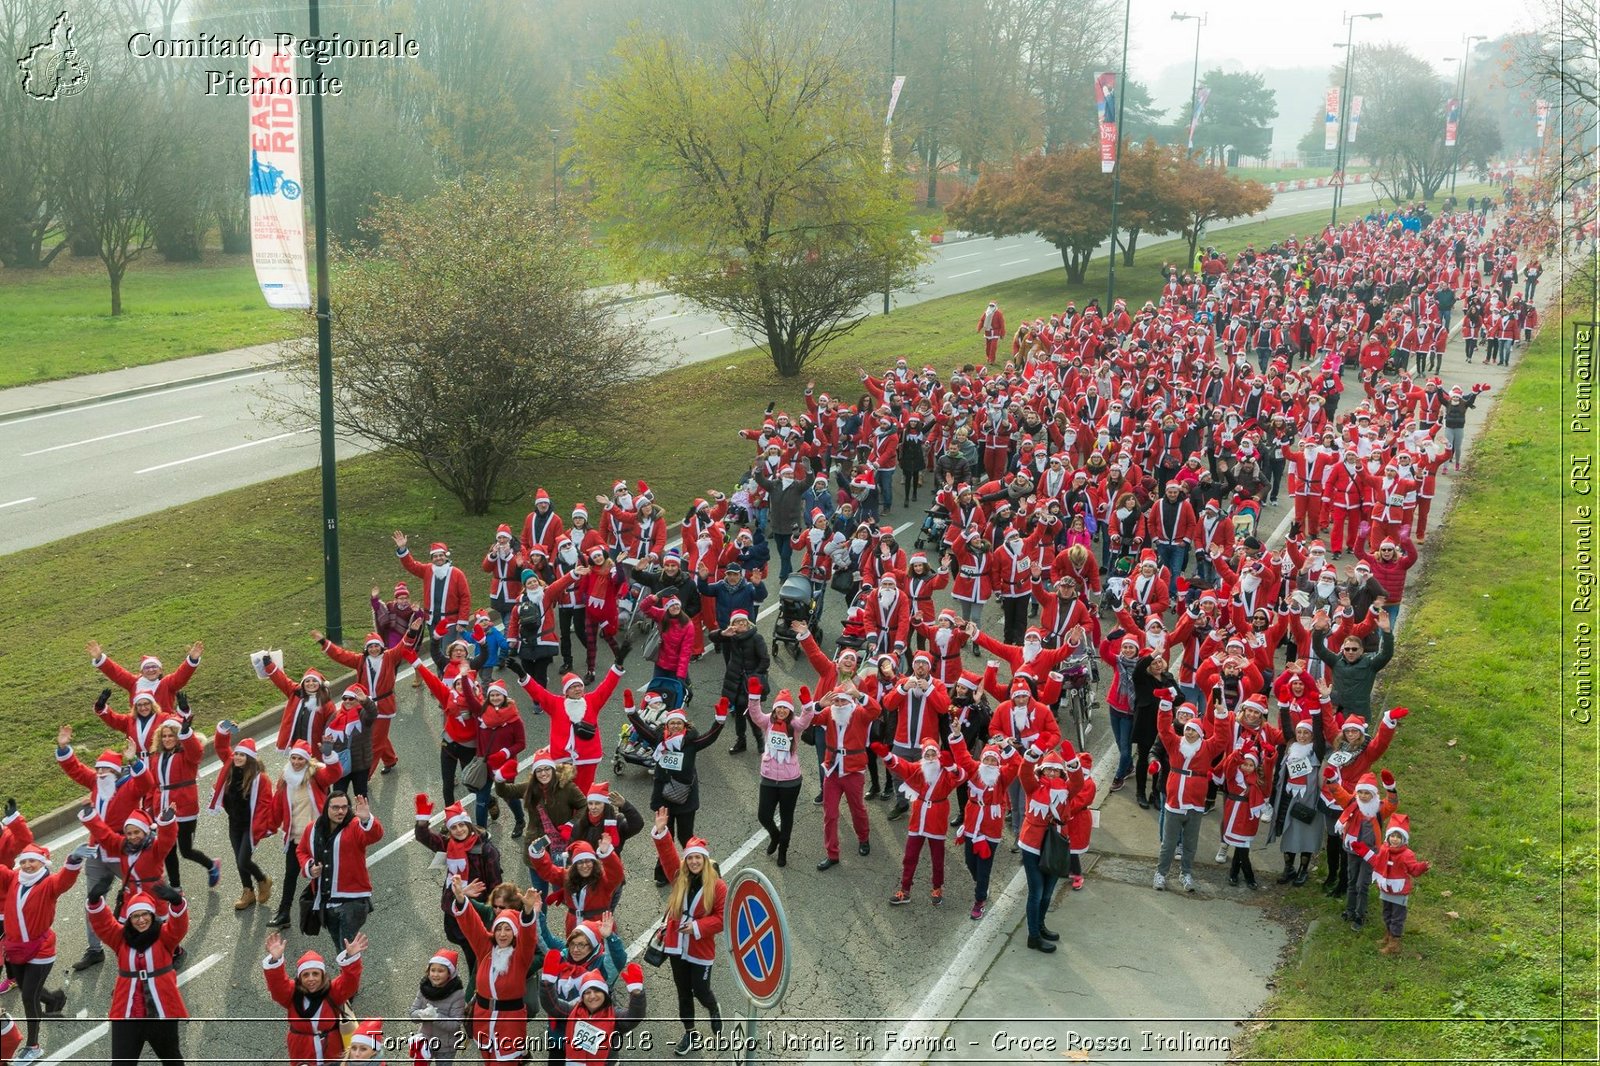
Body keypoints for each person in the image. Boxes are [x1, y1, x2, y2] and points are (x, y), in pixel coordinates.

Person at [620, 695, 726, 885]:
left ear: (685, 726)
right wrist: (631, 711)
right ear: (667, 726)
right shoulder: (659, 740)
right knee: (665, 836)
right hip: (664, 799)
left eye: (679, 723)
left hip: (686, 798)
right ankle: (663, 874)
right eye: (672, 723)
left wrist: (719, 720)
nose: (675, 726)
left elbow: (710, 737)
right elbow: (642, 730)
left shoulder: (691, 743)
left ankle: (699, 871)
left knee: (686, 837)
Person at [649, 810, 726, 1057]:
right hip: (675, 944)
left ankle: (713, 1007)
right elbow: (667, 855)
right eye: (690, 858)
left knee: (700, 989)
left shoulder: (718, 886)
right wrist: (662, 832)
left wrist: (697, 927)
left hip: (700, 947)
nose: (693, 862)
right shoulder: (679, 877)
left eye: (698, 858)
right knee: (683, 991)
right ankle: (691, 1033)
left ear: (705, 861)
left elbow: (722, 919)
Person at [86, 883, 189, 1066]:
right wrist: (95, 903)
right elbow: (104, 925)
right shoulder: (120, 937)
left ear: (151, 915)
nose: (141, 920)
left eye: (145, 914)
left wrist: (177, 903)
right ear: (129, 919)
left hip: (161, 1011)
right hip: (127, 1012)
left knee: (172, 1060)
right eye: (135, 916)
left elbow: (179, 926)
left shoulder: (164, 935)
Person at [1, 844, 83, 1061]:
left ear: (43, 863)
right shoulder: (13, 879)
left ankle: (33, 1046)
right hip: (16, 948)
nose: (27, 865)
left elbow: (65, 880)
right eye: (24, 861)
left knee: (29, 996)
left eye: (32, 861)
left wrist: (73, 861)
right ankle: (54, 999)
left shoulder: (49, 884)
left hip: (41, 949)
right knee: (28, 990)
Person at [448, 876, 543, 1063]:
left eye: (508, 929)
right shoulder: (486, 948)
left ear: (515, 932)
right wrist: (460, 898)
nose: (502, 934)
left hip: (510, 1023)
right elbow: (472, 924)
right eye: (499, 929)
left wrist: (529, 910)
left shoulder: (520, 956)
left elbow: (528, 938)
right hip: (483, 1019)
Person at [414, 799, 503, 987]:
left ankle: (480, 989)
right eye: (454, 828)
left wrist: (496, 913)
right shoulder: (450, 845)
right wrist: (422, 821)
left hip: (477, 913)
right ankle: (479, 985)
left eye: (462, 825)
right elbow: (426, 838)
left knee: (478, 955)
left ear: (469, 825)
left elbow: (496, 886)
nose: (459, 830)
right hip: (454, 909)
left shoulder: (486, 850)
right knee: (469, 952)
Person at [872, 740, 960, 907]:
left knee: (937, 857)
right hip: (919, 817)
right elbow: (902, 766)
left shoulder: (945, 771)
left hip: (937, 817)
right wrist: (887, 755)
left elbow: (960, 777)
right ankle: (905, 890)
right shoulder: (919, 768)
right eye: (928, 754)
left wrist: (952, 767)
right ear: (923, 755)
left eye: (934, 754)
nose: (931, 757)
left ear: (939, 755)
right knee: (910, 856)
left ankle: (937, 887)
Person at [262, 930, 366, 1066]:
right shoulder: (291, 993)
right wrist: (275, 960)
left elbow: (350, 983)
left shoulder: (332, 990)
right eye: (306, 975)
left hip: (332, 1048)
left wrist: (351, 958)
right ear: (300, 978)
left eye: (315, 974)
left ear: (322, 975)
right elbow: (277, 985)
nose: (311, 979)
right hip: (301, 1049)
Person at [512, 666, 623, 795]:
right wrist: (523, 676)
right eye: (573, 687)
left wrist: (617, 668)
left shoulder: (592, 701)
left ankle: (583, 814)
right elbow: (538, 692)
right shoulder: (555, 703)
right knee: (563, 794)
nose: (577, 689)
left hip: (588, 757)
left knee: (584, 794)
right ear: (566, 691)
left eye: (579, 686)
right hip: (562, 758)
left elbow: (607, 687)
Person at [265, 742, 339, 930]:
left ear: (307, 760)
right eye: (294, 758)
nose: (297, 762)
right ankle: (284, 913)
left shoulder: (316, 776)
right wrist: (268, 828)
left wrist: (329, 755)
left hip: (319, 836)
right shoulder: (285, 779)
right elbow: (277, 807)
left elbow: (334, 774)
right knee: (290, 875)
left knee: (326, 873)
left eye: (300, 759)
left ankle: (332, 907)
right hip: (296, 837)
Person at [1152, 702, 1226, 893]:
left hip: (1195, 805)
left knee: (1190, 844)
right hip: (1174, 804)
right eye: (1187, 730)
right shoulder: (1175, 743)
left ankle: (1186, 873)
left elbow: (1222, 738)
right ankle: (1161, 873)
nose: (1189, 733)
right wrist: (1166, 708)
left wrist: (1221, 716)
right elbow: (1163, 728)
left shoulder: (1207, 747)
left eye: (1193, 730)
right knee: (1168, 844)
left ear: (1200, 733)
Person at [298, 792, 383, 953]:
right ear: (326, 808)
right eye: (335, 807)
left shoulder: (356, 826)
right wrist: (309, 868)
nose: (340, 811)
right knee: (341, 950)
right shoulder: (313, 828)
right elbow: (301, 850)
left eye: (344, 807)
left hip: (353, 902)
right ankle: (348, 975)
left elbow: (375, 835)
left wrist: (366, 819)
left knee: (347, 951)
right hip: (327, 901)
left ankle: (350, 976)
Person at [145, 700, 215, 892]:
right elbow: (153, 785)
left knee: (186, 850)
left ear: (178, 738)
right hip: (163, 808)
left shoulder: (188, 756)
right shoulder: (156, 757)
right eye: (164, 736)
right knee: (167, 849)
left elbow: (195, 750)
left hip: (185, 807)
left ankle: (211, 865)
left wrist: (186, 732)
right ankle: (176, 887)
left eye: (171, 736)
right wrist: (149, 807)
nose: (167, 739)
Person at [811, 686, 883, 871]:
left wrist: (860, 695)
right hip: (832, 771)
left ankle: (863, 838)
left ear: (850, 701)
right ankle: (832, 854)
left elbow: (876, 710)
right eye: (837, 701)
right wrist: (819, 705)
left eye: (843, 700)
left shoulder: (859, 713)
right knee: (830, 814)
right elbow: (809, 719)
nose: (840, 704)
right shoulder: (829, 712)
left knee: (857, 809)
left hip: (853, 771)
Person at [947, 732, 1018, 920]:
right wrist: (956, 734)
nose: (990, 763)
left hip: (990, 827)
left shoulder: (1002, 776)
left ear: (998, 763)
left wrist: (1005, 746)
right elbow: (962, 755)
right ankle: (981, 884)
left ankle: (980, 899)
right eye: (987, 759)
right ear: (982, 759)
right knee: (971, 861)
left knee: (984, 865)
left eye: (993, 760)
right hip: (972, 824)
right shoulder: (974, 770)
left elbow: (1016, 764)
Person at [314, 630, 404, 775]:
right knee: (377, 736)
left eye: (376, 646)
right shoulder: (360, 660)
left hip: (384, 706)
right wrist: (324, 642)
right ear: (366, 649)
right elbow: (341, 655)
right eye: (370, 647)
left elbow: (403, 646)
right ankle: (390, 759)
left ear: (381, 647)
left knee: (374, 742)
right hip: (364, 706)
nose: (374, 649)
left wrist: (412, 630)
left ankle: (365, 774)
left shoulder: (390, 657)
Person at [746, 685, 815, 868]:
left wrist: (807, 704)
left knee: (787, 817)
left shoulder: (795, 724)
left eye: (786, 707)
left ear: (790, 710)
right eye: (779, 707)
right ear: (775, 708)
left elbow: (807, 719)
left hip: (790, 781)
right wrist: (754, 696)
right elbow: (755, 714)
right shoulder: (767, 721)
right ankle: (775, 836)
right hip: (768, 777)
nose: (782, 710)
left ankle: (783, 850)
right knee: (764, 815)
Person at [1015, 748, 1072, 952]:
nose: (1051, 774)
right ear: (1041, 771)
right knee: (1036, 892)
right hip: (1031, 845)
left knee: (1048, 892)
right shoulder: (1033, 787)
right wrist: (1032, 754)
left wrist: (1073, 761)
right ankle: (1033, 936)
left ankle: (1040, 925)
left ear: (1061, 773)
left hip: (1055, 844)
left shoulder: (1066, 790)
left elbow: (1079, 783)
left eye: (1055, 771)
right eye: (1047, 770)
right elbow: (1023, 772)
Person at [1349, 813, 1430, 955]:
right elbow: (1376, 862)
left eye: (1398, 837)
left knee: (1397, 917)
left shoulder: (1407, 855)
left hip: (1399, 892)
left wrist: (1422, 867)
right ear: (1388, 836)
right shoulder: (1384, 850)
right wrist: (1364, 851)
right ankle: (1388, 934)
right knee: (1387, 913)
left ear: (1403, 839)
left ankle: (1394, 943)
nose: (1395, 839)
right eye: (1393, 836)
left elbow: (1413, 870)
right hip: (1386, 889)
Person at [393, 532, 473, 671]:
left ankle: (451, 681)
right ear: (432, 559)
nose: (438, 558)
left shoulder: (457, 573)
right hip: (432, 621)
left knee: (448, 652)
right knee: (437, 653)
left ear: (446, 556)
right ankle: (441, 682)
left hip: (451, 621)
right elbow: (411, 565)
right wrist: (403, 550)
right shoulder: (427, 570)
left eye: (441, 555)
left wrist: (462, 620)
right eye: (435, 556)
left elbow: (465, 597)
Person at [543, 962, 647, 1066]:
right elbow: (552, 1005)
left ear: (605, 994)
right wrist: (547, 982)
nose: (592, 996)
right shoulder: (572, 1011)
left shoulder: (614, 1015)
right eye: (587, 992)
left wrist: (636, 993)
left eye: (597, 991)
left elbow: (634, 1016)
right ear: (582, 997)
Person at [511, 752, 586, 890]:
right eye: (539, 770)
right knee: (539, 894)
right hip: (538, 845)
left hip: (561, 847)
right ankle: (541, 912)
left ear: (553, 769)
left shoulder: (567, 787)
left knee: (563, 891)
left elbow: (584, 806)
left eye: (547, 769)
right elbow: (504, 791)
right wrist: (499, 777)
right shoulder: (530, 787)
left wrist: (571, 824)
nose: (543, 774)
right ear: (534, 773)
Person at [86, 640, 202, 726]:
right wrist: (100, 658)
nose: (151, 670)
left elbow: (181, 676)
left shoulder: (167, 683)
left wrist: (191, 660)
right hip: (139, 728)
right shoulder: (133, 683)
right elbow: (116, 672)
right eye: (147, 668)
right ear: (141, 671)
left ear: (160, 670)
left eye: (154, 667)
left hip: (165, 729)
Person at [525, 838, 624, 937]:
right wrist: (538, 853)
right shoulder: (567, 876)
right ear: (574, 865)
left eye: (588, 861)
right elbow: (548, 871)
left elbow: (617, 873)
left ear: (594, 862)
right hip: (574, 926)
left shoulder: (603, 880)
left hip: (599, 927)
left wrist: (607, 854)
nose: (584, 866)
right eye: (580, 862)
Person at [1311, 609, 1394, 722]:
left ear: (1361, 650)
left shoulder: (1371, 665)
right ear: (1343, 650)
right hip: (1338, 715)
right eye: (1347, 649)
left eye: (1354, 649)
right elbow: (1319, 648)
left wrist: (1387, 632)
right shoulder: (1335, 661)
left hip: (1359, 716)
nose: (1351, 652)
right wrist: (1318, 631)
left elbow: (1386, 654)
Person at [717, 611, 770, 753]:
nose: (741, 624)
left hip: (750, 683)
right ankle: (741, 741)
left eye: (744, 622)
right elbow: (713, 637)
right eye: (738, 622)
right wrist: (723, 633)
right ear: (732, 625)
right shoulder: (732, 637)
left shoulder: (756, 638)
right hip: (735, 681)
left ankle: (760, 740)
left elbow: (765, 660)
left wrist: (754, 676)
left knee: (751, 712)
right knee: (739, 712)